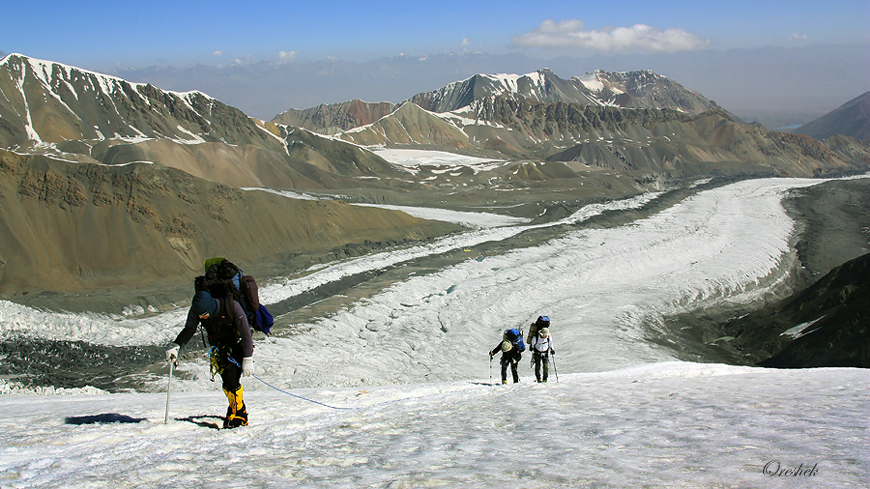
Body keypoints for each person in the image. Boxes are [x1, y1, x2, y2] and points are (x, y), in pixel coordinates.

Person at [165, 290, 254, 428]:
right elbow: (189, 329)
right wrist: (176, 345)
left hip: (236, 345)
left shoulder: (232, 307)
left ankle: (239, 414)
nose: (202, 317)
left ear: (211, 307)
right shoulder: (197, 310)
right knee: (227, 381)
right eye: (200, 315)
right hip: (219, 348)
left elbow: (246, 334)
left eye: (204, 314)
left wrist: (247, 359)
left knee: (232, 380)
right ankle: (234, 409)